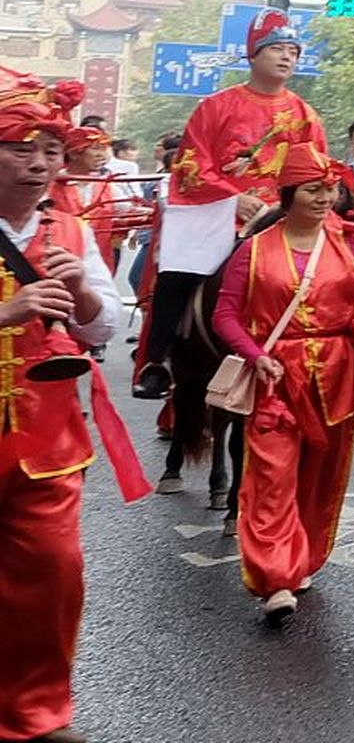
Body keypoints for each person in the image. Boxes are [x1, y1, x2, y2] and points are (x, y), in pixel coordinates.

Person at [0, 70, 127, 743]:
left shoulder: (70, 232)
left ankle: (36, 714)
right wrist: (8, 312)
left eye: (51, 150)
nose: (40, 163)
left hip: (47, 446)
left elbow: (104, 327)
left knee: (53, 576)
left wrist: (78, 296)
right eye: (23, 147)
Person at [210, 141, 354, 626]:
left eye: (330, 188)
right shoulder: (254, 250)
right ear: (288, 194)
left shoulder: (353, 245)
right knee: (271, 478)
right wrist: (255, 354)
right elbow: (225, 312)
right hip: (276, 379)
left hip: (338, 374)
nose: (325, 197)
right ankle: (275, 578)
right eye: (313, 189)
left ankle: (301, 557)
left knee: (320, 477)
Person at [136, 9, 326, 399]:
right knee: (179, 270)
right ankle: (159, 359)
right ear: (253, 55)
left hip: (282, 216)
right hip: (220, 210)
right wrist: (232, 198)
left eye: (293, 50)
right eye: (276, 48)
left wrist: (289, 205)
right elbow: (190, 163)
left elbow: (317, 170)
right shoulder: (217, 106)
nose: (286, 56)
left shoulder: (305, 115)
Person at [50, 125, 124, 266]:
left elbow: (127, 209)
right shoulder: (50, 185)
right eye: (95, 149)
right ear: (73, 153)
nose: (101, 155)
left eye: (103, 150)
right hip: (58, 257)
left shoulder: (107, 186)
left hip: (97, 259)